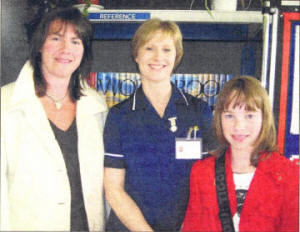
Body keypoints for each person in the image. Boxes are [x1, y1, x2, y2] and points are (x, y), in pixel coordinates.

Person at [103, 18, 217, 231]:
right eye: (149, 48)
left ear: (176, 56)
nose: (158, 57)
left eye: (166, 49)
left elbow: (211, 181)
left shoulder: (199, 111)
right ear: (136, 55)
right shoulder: (119, 116)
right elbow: (113, 190)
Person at [1, 7, 107, 231]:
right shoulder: (5, 104)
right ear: (39, 45)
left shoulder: (96, 105)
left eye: (76, 41)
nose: (65, 49)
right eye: (56, 38)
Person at [182, 75, 299, 232]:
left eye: (249, 116)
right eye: (229, 116)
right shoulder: (202, 172)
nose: (239, 126)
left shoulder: (288, 174)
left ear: (264, 118)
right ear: (219, 119)